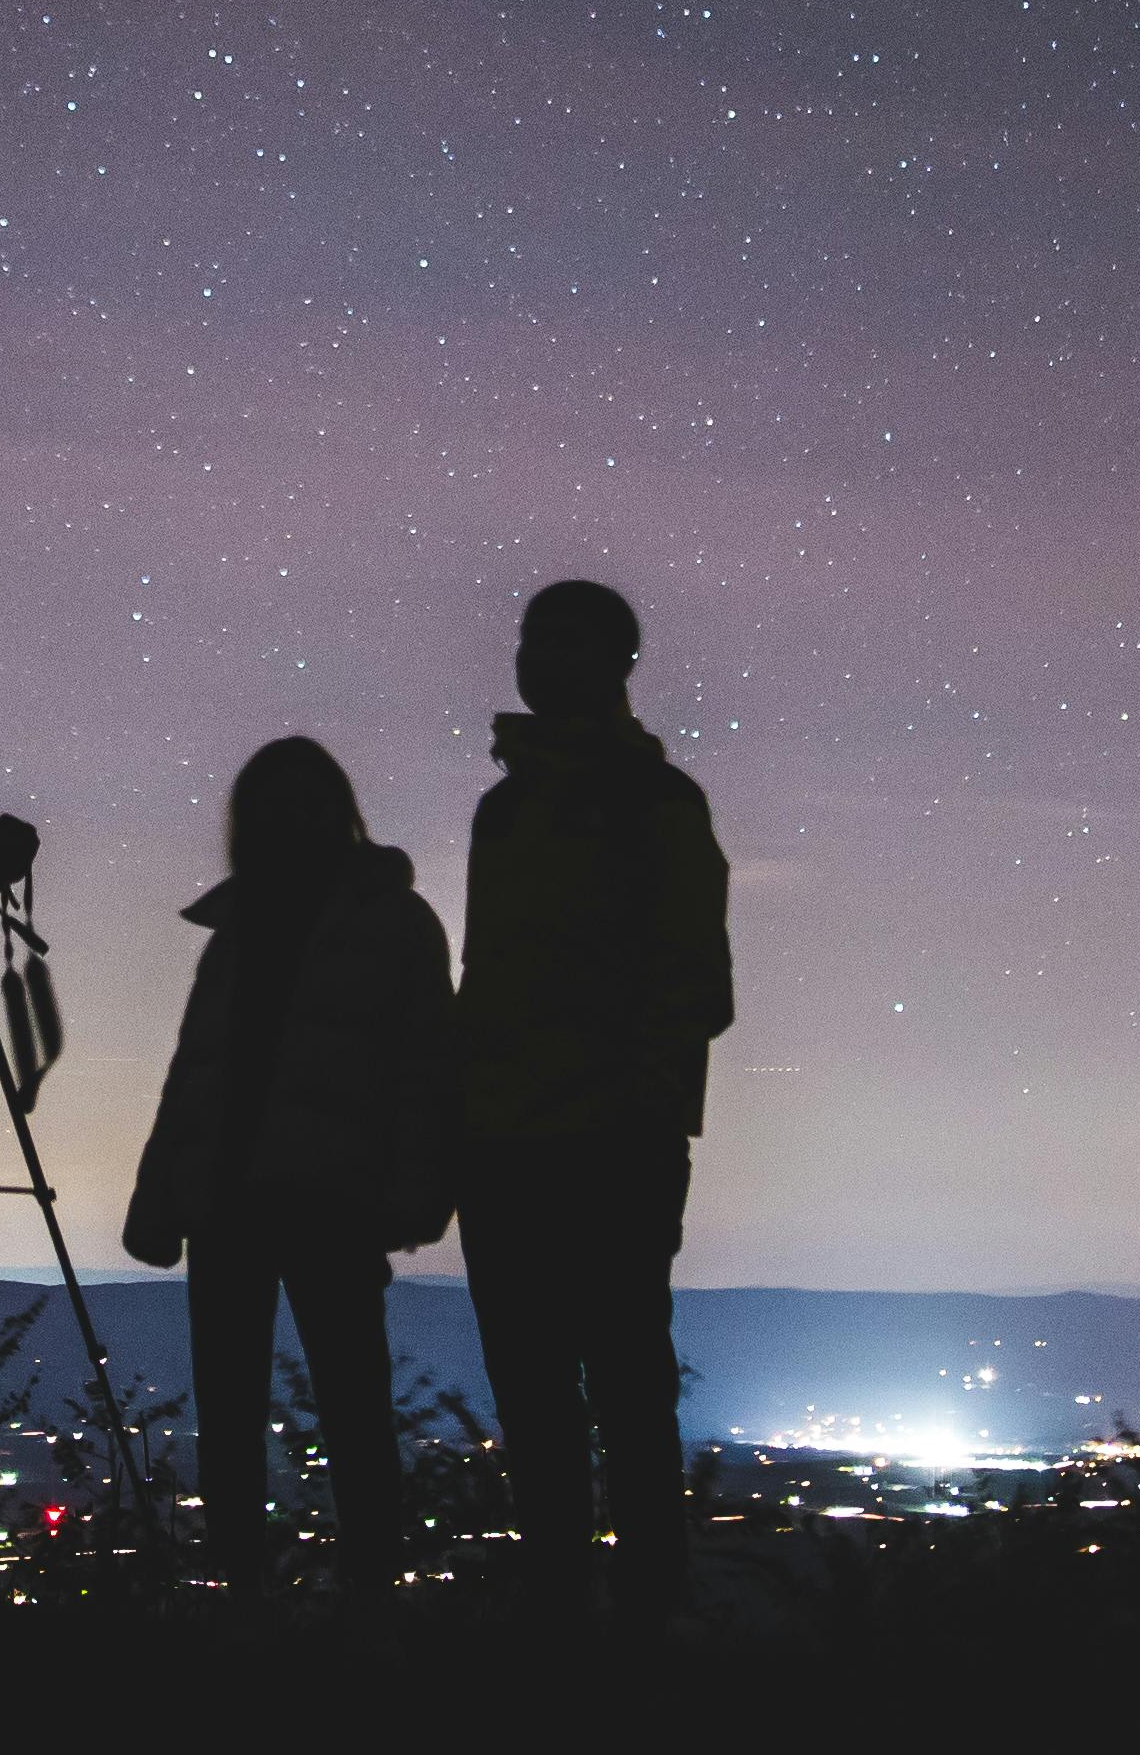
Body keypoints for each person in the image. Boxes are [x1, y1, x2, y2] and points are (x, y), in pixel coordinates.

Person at [452, 577, 731, 1617]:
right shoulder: (507, 809)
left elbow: (693, 980)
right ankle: (565, 1621)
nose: (543, 660)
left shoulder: (657, 803)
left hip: (610, 1144)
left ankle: (644, 1626)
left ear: (619, 664)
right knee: (534, 1396)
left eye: (570, 644)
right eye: (535, 640)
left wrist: (642, 1115)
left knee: (623, 1387)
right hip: (505, 1146)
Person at [121, 735, 454, 1593]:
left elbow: (427, 1066)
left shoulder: (390, 922)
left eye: (306, 801)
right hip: (228, 1199)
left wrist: (412, 1193)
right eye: (274, 803)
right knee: (231, 1415)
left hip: (329, 1199)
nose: (289, 819)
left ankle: (371, 1600)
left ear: (337, 811)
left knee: (351, 1406)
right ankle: (247, 1598)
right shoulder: (236, 932)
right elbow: (192, 1073)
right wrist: (163, 1195)